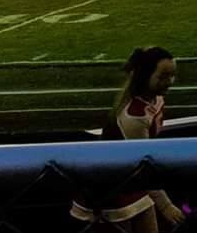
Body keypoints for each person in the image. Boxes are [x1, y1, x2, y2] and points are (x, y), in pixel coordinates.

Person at [71, 47, 184, 231]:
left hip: (133, 179)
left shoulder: (155, 100)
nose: (170, 82)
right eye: (163, 76)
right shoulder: (134, 116)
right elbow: (143, 163)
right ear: (144, 76)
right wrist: (165, 206)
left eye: (172, 75)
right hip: (112, 186)